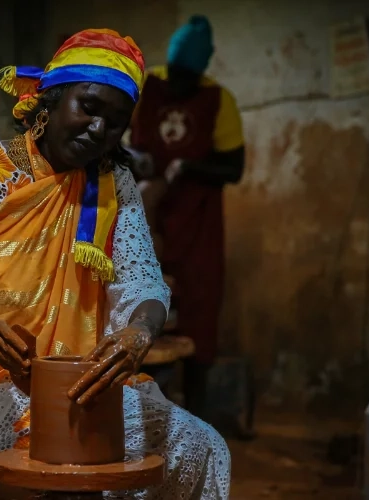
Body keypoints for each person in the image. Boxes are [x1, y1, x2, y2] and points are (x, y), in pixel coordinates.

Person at [0, 28, 230, 499]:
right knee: (71, 470)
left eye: (116, 121)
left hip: (78, 391)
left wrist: (139, 332)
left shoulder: (114, 187)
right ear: (48, 100)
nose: (98, 129)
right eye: (89, 107)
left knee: (201, 446)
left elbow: (142, 281)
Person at [127, 15, 245, 418]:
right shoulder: (148, 85)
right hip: (146, 213)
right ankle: (137, 409)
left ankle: (195, 415)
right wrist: (137, 159)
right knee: (136, 300)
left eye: (186, 79)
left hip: (197, 221)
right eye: (175, 74)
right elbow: (118, 143)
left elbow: (234, 168)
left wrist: (189, 168)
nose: (177, 87)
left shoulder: (218, 100)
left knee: (198, 308)